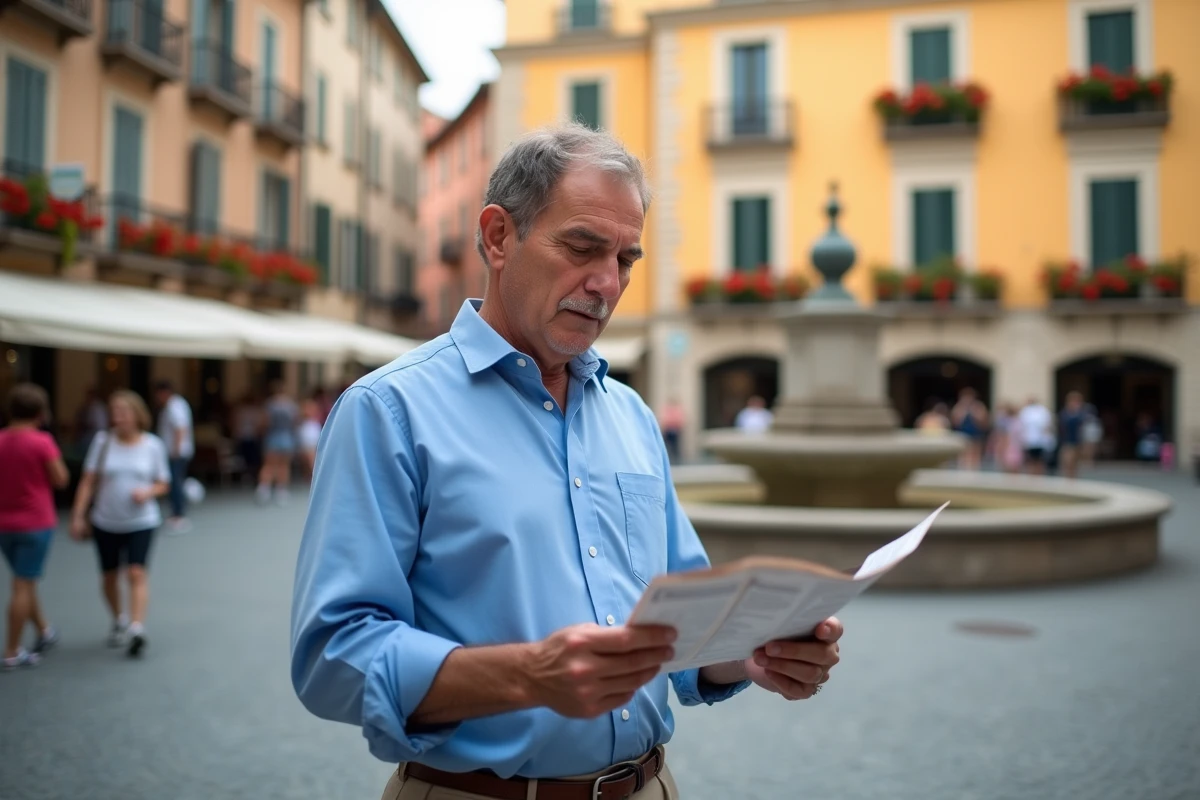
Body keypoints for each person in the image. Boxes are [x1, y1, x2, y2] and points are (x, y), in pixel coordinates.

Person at [290, 125, 844, 800]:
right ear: (498, 236)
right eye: (582, 248)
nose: (607, 283)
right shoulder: (388, 410)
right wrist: (526, 675)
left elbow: (683, 633)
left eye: (626, 260)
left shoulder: (631, 416)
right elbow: (331, 658)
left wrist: (755, 651)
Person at [70, 390, 170, 658]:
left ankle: (137, 627)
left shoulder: (152, 445)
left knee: (136, 572)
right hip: (106, 520)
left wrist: (148, 492)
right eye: (114, 412)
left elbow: (163, 483)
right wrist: (78, 515)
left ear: (137, 414)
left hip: (142, 520)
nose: (118, 417)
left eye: (124, 412)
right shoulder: (103, 442)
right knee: (109, 576)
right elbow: (88, 481)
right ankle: (119, 619)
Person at [0, 384, 69, 669]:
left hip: (4, 522)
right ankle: (12, 651)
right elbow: (61, 479)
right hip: (35, 521)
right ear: (41, 413)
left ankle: (44, 630)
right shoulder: (41, 442)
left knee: (25, 580)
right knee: (23, 584)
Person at [153, 381, 194, 534]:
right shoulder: (175, 404)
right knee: (175, 482)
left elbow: (180, 428)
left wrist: (176, 449)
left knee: (174, 483)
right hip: (175, 451)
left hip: (176, 453)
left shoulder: (174, 406)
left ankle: (178, 514)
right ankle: (177, 512)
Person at [1018, 396, 1054, 475]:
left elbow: (1047, 426)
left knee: (1039, 460)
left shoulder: (1042, 411)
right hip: (1029, 441)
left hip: (1040, 441)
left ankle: (1039, 475)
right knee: (1031, 460)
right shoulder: (1026, 411)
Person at [1058, 391, 1088, 479]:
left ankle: (1073, 480)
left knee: (1075, 464)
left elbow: (1083, 427)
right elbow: (1062, 427)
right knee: (1068, 463)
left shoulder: (1081, 413)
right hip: (1067, 442)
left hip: (1078, 442)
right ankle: (1068, 480)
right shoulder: (1065, 413)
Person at [296, 396, 323, 479]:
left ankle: (315, 476)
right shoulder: (303, 421)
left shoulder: (313, 422)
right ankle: (310, 476)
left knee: (312, 459)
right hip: (305, 440)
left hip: (311, 440)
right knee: (306, 460)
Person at [657, 397, 684, 463]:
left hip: (675, 429)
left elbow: (680, 419)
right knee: (667, 445)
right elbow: (664, 418)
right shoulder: (667, 409)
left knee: (675, 446)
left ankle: (676, 459)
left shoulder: (677, 409)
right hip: (668, 429)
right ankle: (668, 458)